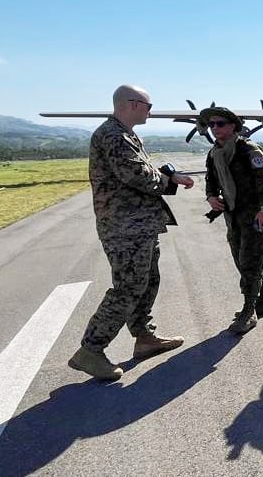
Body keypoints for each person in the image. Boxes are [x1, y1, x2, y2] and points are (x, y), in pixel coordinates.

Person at [68, 84, 195, 381]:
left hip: (138, 224)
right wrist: (170, 178)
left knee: (147, 280)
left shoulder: (123, 133)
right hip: (125, 227)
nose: (151, 111)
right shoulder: (113, 135)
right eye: (149, 106)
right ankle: (91, 349)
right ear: (132, 104)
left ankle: (144, 337)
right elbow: (137, 174)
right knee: (128, 286)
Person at [202, 106, 263, 334]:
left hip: (253, 214)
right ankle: (262, 303)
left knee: (249, 261)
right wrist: (211, 196)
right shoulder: (214, 153)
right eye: (211, 125)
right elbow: (211, 179)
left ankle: (248, 311)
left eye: (220, 124)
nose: (215, 128)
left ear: (232, 126)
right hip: (232, 215)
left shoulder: (248, 150)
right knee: (240, 260)